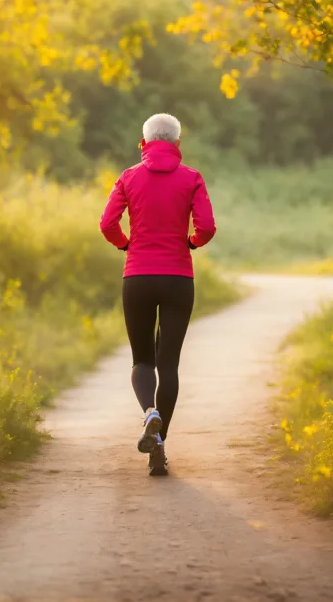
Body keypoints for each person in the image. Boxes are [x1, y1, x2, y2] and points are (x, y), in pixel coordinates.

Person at [99, 113, 216, 476]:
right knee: (169, 365)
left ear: (143, 143)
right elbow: (207, 227)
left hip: (138, 276)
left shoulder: (129, 177)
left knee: (142, 361)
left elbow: (107, 224)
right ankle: (160, 443)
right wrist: (191, 242)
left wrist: (126, 245)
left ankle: (149, 414)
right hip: (179, 277)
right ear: (178, 144)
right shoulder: (192, 178)